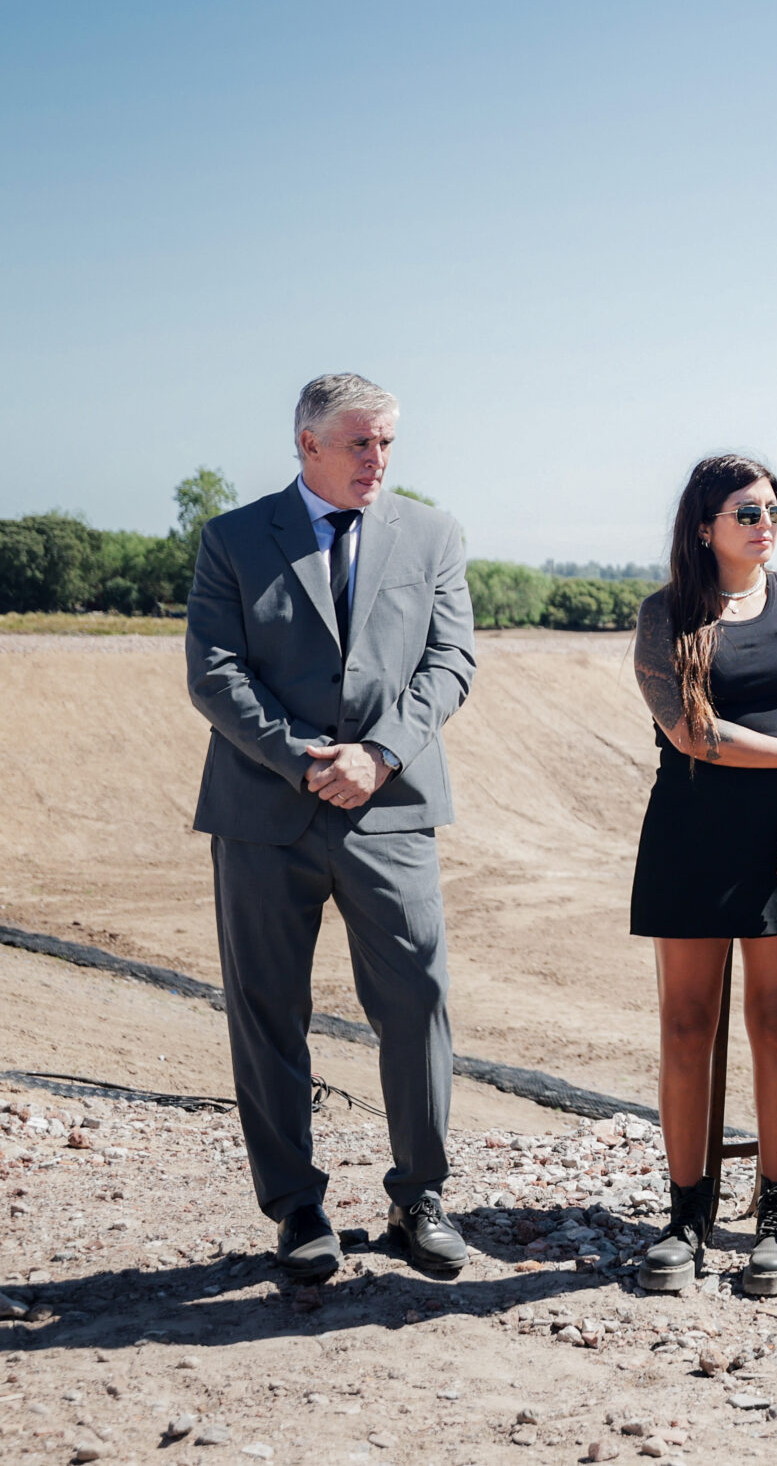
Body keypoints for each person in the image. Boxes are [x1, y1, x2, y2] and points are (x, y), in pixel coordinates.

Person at [185, 372, 476, 1280]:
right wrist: (305, 758)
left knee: (418, 998)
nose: (378, 459)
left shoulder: (432, 534)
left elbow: (450, 661)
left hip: (392, 808)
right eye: (360, 442)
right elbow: (215, 672)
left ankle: (419, 1197)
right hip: (264, 811)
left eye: (387, 441)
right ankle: (297, 1208)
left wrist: (378, 755)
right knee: (267, 1009)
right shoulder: (233, 539)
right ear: (308, 444)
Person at [629, 454, 777, 1296]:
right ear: (703, 526)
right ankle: (685, 1215)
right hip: (691, 832)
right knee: (686, 1026)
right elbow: (692, 733)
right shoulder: (664, 615)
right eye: (747, 513)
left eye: (774, 511)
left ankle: (776, 1211)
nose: (765, 525)